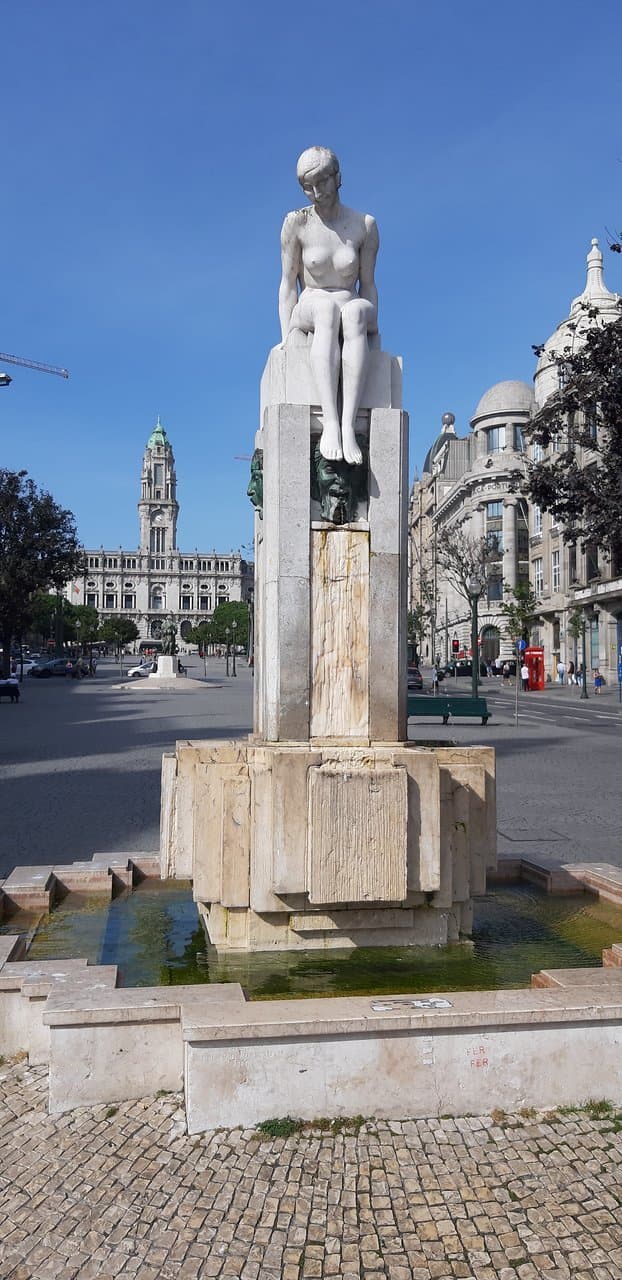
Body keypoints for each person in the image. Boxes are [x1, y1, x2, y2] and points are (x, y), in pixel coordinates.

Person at [279, 146, 379, 465]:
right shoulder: (296, 223)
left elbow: (369, 284)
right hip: (311, 304)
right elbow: (287, 282)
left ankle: (348, 424)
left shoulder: (364, 225)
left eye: (321, 181)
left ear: (338, 177)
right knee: (326, 308)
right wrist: (286, 340)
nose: (315, 191)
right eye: (307, 186)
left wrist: (372, 328)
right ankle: (330, 423)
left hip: (350, 303)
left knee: (351, 311)